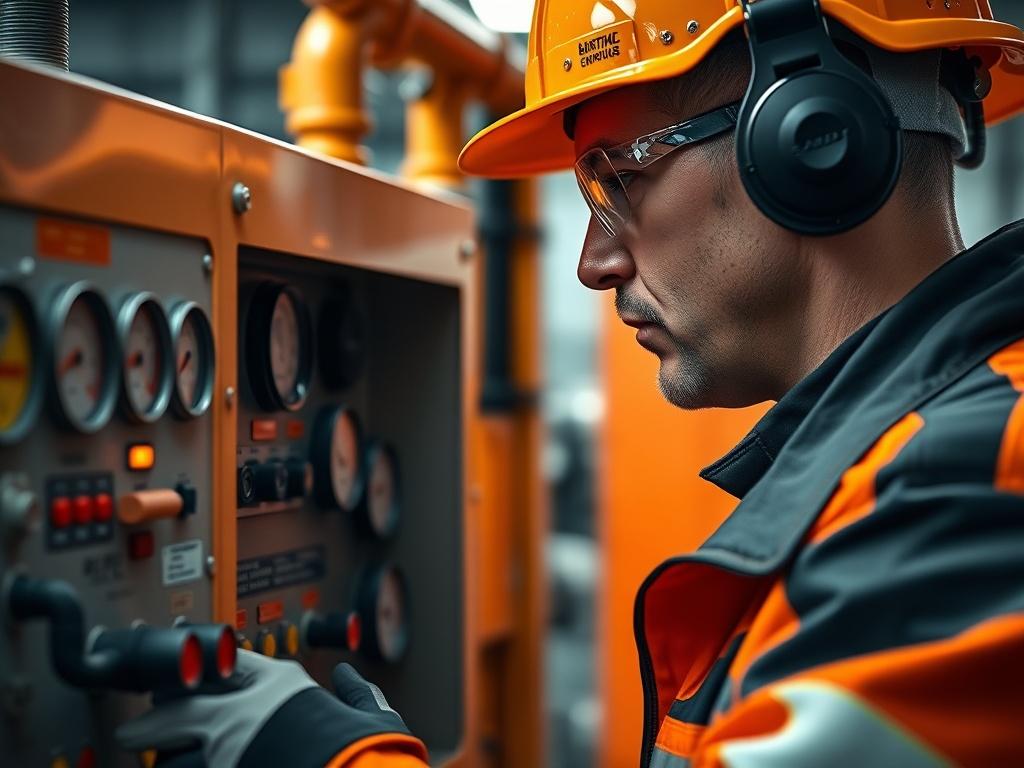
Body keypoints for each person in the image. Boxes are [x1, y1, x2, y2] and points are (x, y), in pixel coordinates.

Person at [119, 1, 1024, 766]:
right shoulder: (906, 464)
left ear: (811, 136)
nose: (594, 263)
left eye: (618, 179)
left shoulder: (980, 483)